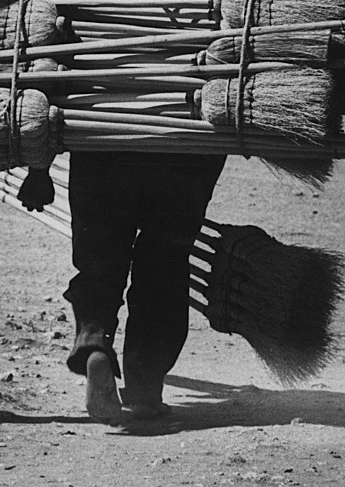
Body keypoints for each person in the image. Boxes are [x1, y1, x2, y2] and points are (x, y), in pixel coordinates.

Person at [59, 150, 225, 423]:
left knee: (99, 259)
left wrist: (38, 170)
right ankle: (145, 389)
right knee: (164, 266)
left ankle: (95, 343)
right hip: (182, 149)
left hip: (102, 139)